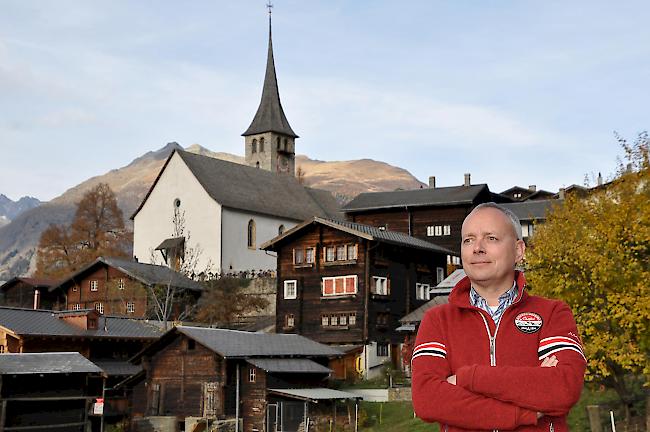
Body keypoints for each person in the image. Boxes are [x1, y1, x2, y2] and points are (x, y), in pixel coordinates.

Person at [412, 202, 586, 431]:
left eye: (491, 238)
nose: (477, 248)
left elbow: (563, 389)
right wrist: (524, 411)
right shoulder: (437, 320)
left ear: (518, 251)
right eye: (468, 240)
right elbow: (427, 400)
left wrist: (466, 379)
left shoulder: (553, 313)